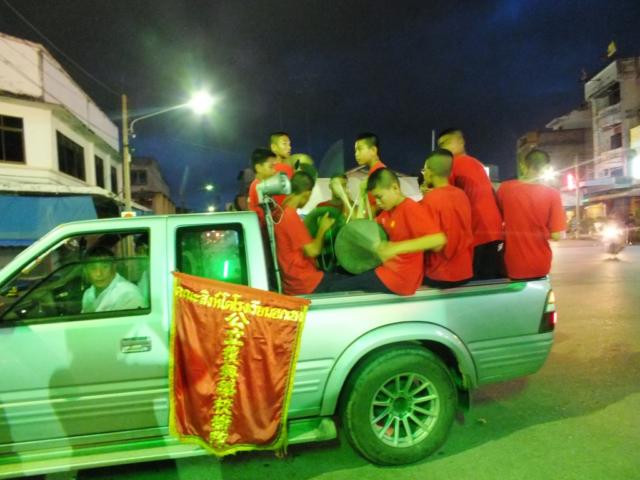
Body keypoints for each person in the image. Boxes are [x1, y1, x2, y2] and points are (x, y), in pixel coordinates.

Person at [325, 168, 446, 296]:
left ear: (395, 188)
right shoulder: (387, 212)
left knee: (337, 287)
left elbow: (438, 240)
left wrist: (395, 248)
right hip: (386, 270)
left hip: (399, 279)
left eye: (379, 197)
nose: (377, 203)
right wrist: (360, 195)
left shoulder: (410, 208)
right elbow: (360, 227)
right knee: (337, 277)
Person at [437, 128, 504, 279]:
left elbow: (445, 199)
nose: (442, 148)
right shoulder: (477, 163)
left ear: (461, 141)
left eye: (446, 142)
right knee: (491, 281)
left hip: (477, 232)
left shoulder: (452, 165)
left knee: (476, 281)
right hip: (494, 230)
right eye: (440, 145)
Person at [496, 149, 566, 280]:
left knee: (518, 293)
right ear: (546, 167)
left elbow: (498, 218)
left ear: (524, 165)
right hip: (541, 263)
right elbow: (556, 235)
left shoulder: (505, 188)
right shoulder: (553, 194)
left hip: (514, 264)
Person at [273, 171, 338, 295]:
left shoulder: (280, 211)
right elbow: (313, 251)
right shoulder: (290, 215)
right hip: (306, 282)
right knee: (355, 284)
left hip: (293, 282)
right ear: (307, 193)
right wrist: (322, 228)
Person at [420, 149, 474, 288]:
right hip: (464, 272)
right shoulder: (462, 195)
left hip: (439, 274)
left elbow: (429, 242)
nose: (424, 173)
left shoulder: (430, 200)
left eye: (424, 170)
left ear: (430, 171)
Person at [81, 246, 144, 313]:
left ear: (114, 267)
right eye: (93, 268)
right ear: (85, 271)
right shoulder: (88, 293)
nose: (99, 274)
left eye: (105, 267)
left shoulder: (129, 294)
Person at [354, 132, 386, 218]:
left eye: (359, 149)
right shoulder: (374, 171)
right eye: (355, 150)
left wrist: (364, 220)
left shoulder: (380, 173)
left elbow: (377, 206)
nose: (356, 154)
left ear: (373, 150)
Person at [247, 148, 278, 225]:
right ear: (258, 168)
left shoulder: (263, 185)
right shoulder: (258, 187)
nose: (275, 171)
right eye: (271, 167)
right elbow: (265, 218)